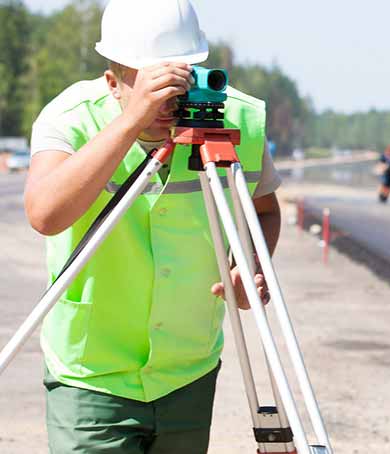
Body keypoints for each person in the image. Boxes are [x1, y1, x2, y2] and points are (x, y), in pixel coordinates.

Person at [24, 0, 282, 452]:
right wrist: (131, 121)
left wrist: (251, 263)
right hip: (92, 374)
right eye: (150, 81)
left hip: (187, 368)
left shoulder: (234, 119)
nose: (169, 99)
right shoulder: (71, 118)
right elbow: (45, 214)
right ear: (113, 82)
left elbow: (263, 210)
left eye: (177, 78)